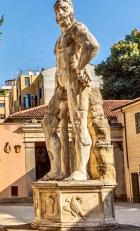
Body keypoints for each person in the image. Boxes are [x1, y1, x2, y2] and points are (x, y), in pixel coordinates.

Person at [41, 0, 100, 181]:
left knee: (78, 124)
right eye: (57, 10)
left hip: (76, 83)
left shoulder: (77, 28)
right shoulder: (59, 39)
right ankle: (57, 170)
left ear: (71, 10)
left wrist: (81, 68)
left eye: (64, 8)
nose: (60, 12)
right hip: (61, 87)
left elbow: (92, 45)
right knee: (48, 124)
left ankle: (81, 171)